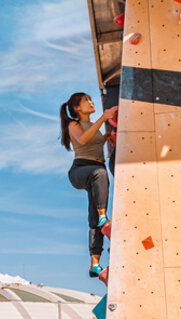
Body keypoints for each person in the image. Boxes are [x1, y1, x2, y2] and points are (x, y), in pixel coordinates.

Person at [60, 92, 117, 278]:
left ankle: (94, 264)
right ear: (77, 108)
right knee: (100, 174)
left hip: (96, 171)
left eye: (91, 100)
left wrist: (109, 134)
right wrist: (104, 117)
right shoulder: (73, 124)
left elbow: (96, 140)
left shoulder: (94, 126)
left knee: (94, 218)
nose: (91, 103)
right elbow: (83, 139)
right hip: (81, 170)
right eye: (87, 101)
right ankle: (103, 216)